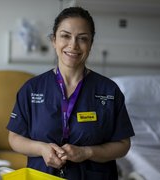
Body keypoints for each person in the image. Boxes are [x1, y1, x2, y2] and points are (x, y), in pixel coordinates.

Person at [7, 6, 135, 180]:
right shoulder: (31, 89)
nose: (73, 45)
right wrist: (41, 149)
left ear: (90, 44)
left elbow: (123, 145)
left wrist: (87, 152)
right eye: (65, 36)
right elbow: (14, 138)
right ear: (54, 40)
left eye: (82, 38)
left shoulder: (109, 91)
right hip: (43, 175)